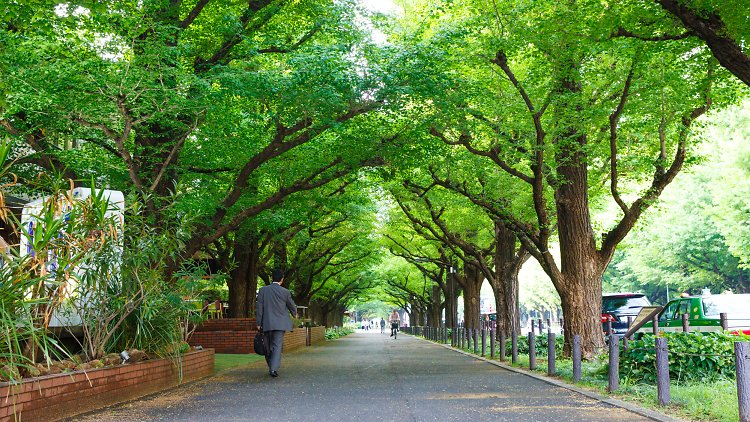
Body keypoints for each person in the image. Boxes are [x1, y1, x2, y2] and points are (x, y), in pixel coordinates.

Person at [256, 269, 297, 378]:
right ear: (282, 279)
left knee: (268, 346)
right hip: (280, 324)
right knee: (277, 345)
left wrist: (258, 323)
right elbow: (291, 305)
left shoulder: (263, 290)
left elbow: (259, 307)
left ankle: (271, 366)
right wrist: (294, 314)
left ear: (271, 278)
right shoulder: (285, 292)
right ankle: (273, 369)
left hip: (267, 323)